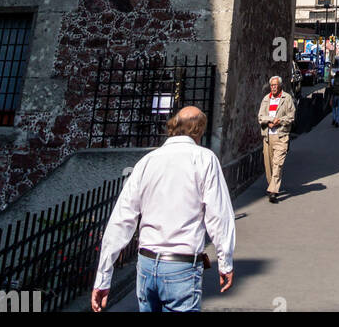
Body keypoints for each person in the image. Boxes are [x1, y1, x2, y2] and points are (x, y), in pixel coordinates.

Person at [91, 106, 234, 314]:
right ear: (199, 130)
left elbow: (121, 219)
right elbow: (218, 215)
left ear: (173, 126)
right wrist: (225, 261)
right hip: (182, 265)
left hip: (146, 265)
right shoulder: (205, 159)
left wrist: (103, 277)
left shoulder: (147, 161)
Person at [258, 75, 296, 202]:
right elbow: (260, 116)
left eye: (275, 85)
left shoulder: (287, 98)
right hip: (267, 137)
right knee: (269, 165)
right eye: (272, 85)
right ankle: (271, 185)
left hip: (281, 136)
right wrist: (269, 121)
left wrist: (279, 121)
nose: (273, 87)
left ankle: (273, 191)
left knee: (278, 164)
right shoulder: (266, 99)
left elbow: (291, 116)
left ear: (280, 86)